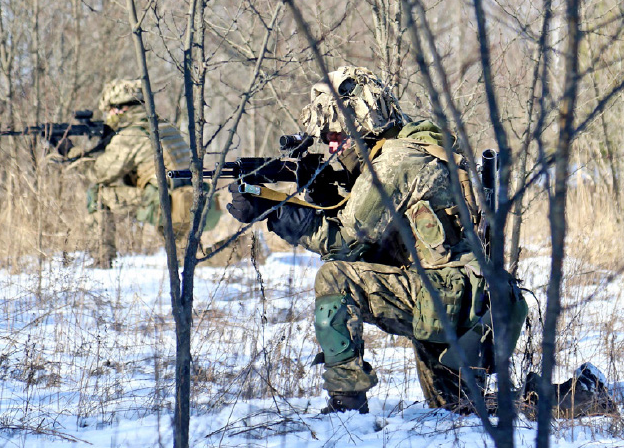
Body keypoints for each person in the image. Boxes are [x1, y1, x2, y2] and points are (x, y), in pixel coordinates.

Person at [226, 66, 527, 414]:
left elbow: (345, 242)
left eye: (337, 133)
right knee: (458, 409)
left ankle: (347, 402)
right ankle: (579, 395)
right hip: (464, 300)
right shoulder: (411, 147)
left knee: (335, 278)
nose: (331, 144)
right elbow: (376, 241)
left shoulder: (396, 162)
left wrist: (274, 211)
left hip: (451, 298)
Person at [73, 79, 217, 267]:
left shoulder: (130, 134)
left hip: (166, 203)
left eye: (108, 111)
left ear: (119, 109)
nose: (108, 116)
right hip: (195, 199)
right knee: (189, 260)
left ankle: (103, 259)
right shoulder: (165, 126)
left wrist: (73, 154)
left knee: (98, 194)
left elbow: (100, 173)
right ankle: (243, 249)